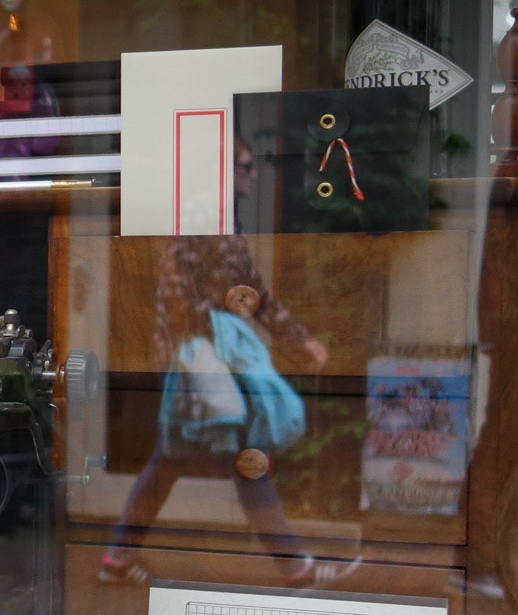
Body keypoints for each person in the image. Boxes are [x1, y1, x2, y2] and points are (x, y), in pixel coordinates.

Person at [100, 236, 358, 588]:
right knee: (245, 465)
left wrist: (296, 338)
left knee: (171, 465)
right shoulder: (205, 229)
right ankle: (297, 569)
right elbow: (230, 295)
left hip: (198, 369)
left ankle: (117, 559)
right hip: (209, 370)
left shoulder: (204, 229)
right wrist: (289, 339)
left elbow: (231, 296)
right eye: (247, 175)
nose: (250, 180)